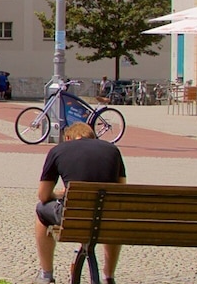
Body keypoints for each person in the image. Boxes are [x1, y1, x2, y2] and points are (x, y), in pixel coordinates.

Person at [34, 122, 127, 284]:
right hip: (106, 217)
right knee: (112, 218)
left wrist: (59, 194)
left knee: (41, 210)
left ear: (68, 137)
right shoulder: (112, 150)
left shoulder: (57, 151)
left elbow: (43, 195)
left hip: (73, 215)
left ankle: (46, 274)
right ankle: (109, 276)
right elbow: (121, 190)